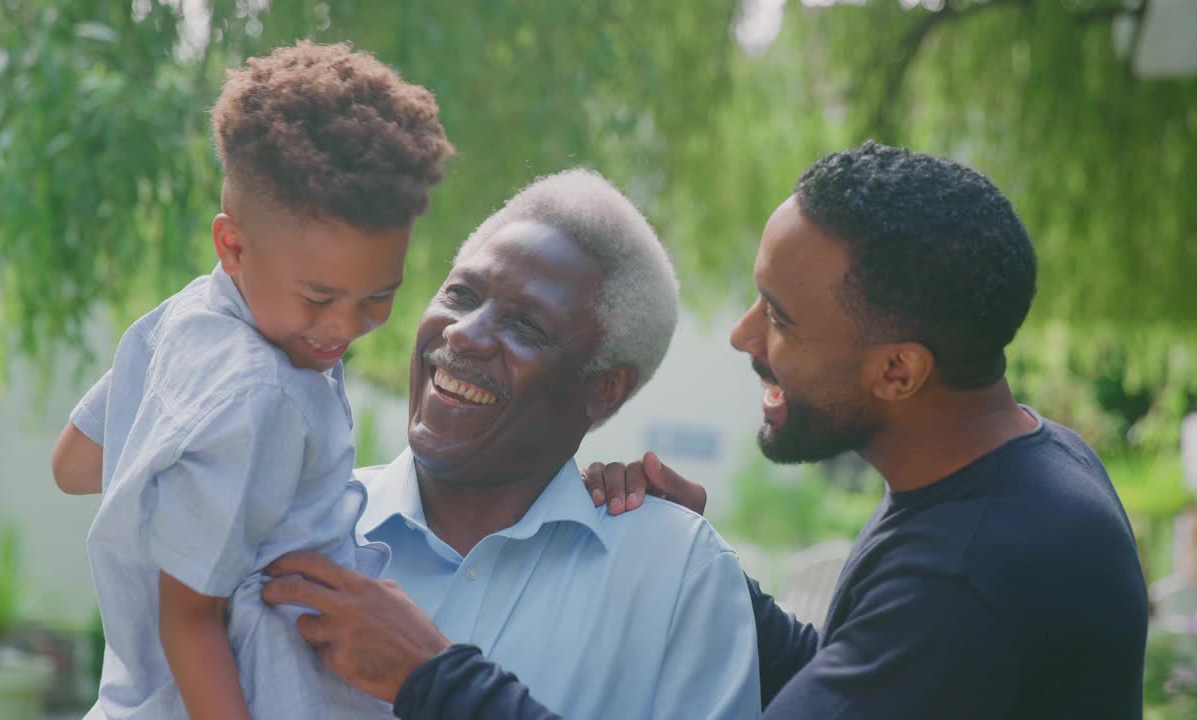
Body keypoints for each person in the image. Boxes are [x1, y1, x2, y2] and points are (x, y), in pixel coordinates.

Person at [266, 142, 1149, 720]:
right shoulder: (1020, 463)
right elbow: (866, 673)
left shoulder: (976, 573)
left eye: (781, 319)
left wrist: (431, 676)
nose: (742, 340)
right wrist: (711, 577)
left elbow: (922, 642)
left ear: (897, 371)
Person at [264, 169, 762, 718]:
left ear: (603, 389)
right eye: (460, 294)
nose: (462, 333)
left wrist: (433, 678)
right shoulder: (296, 521)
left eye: (525, 326)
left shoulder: (676, 575)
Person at [50, 41, 453, 719]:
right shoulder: (259, 395)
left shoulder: (185, 319)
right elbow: (191, 621)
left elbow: (76, 463)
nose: (346, 327)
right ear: (234, 246)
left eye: (378, 297)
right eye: (319, 298)